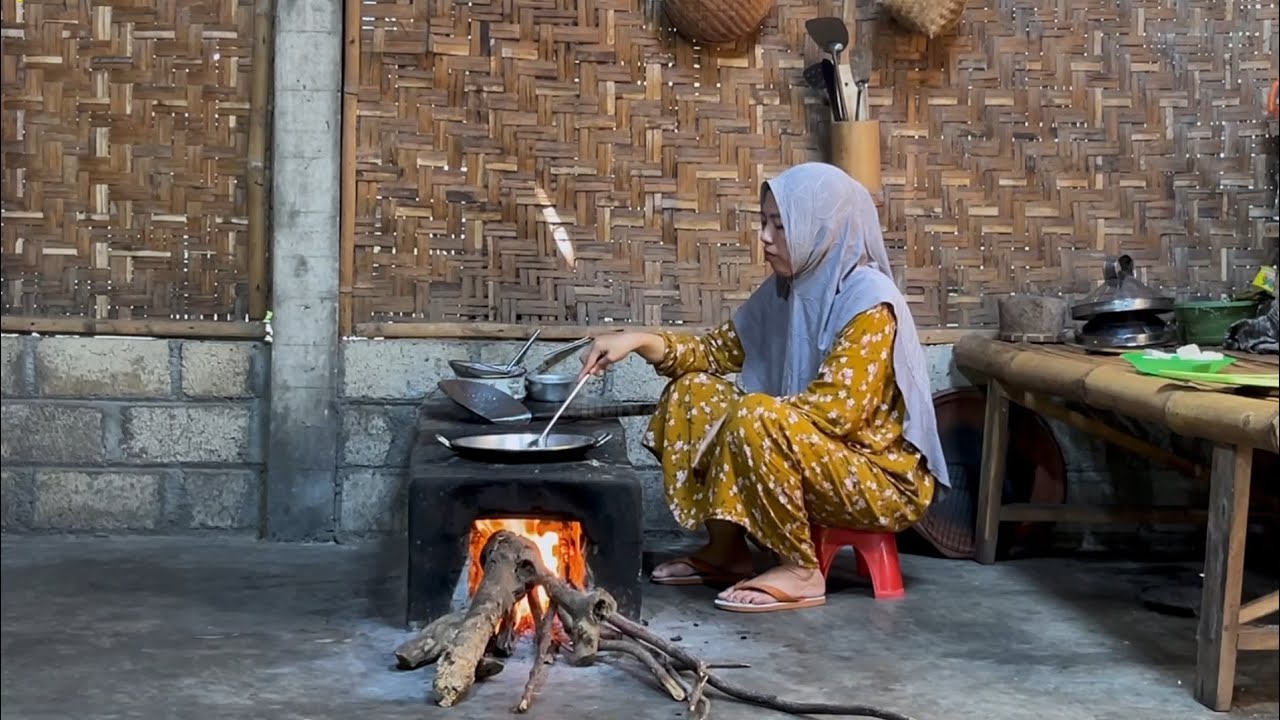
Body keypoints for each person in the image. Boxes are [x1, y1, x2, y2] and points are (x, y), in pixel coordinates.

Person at [577, 162, 950, 613]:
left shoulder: (869, 302)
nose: (765, 238)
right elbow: (713, 353)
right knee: (693, 393)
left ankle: (801, 569)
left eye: (781, 225)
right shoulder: (785, 290)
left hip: (878, 478)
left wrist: (741, 424)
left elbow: (836, 412)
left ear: (821, 228)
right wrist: (637, 340)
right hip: (813, 451)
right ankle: (726, 551)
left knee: (755, 416)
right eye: (764, 222)